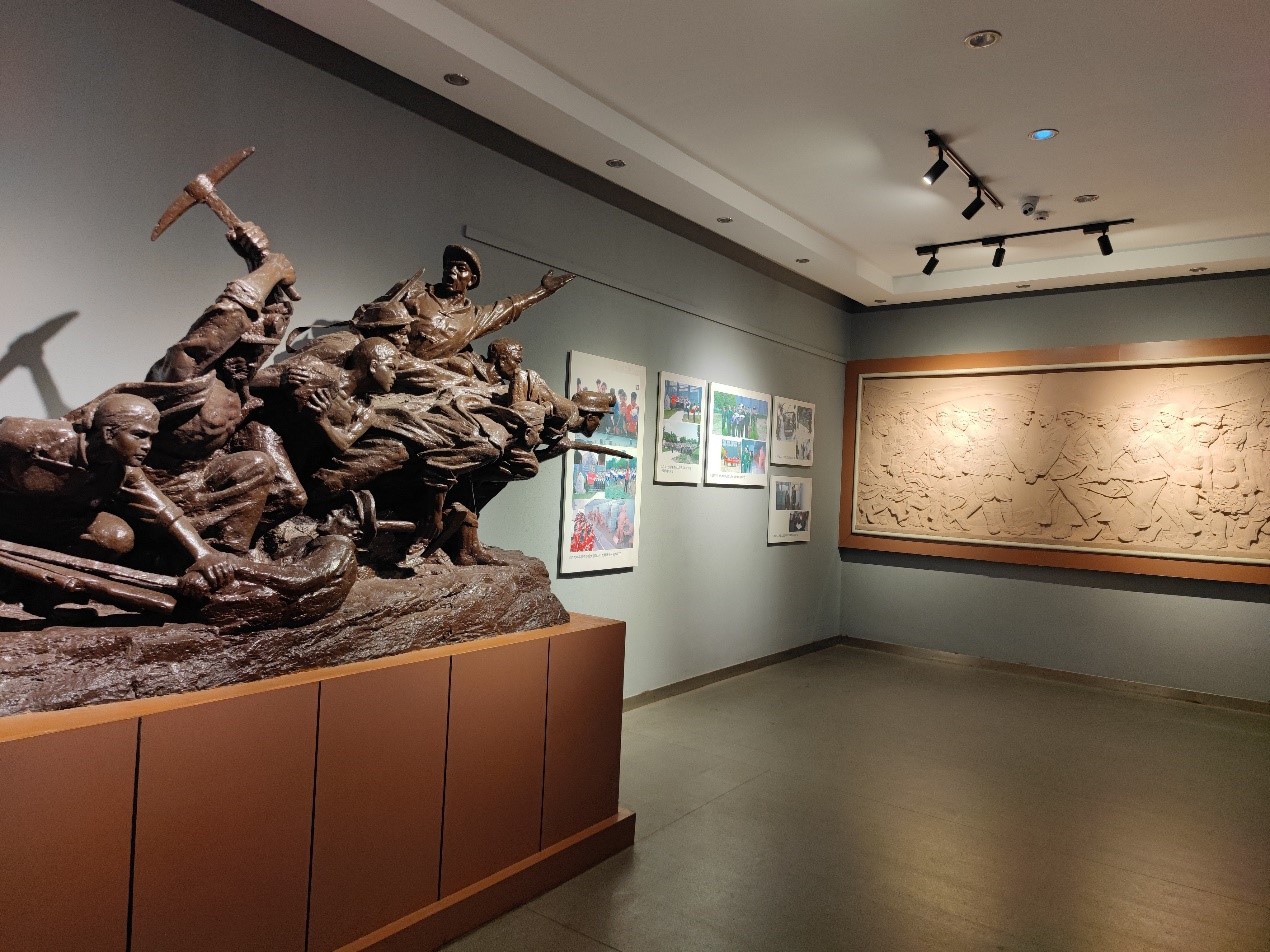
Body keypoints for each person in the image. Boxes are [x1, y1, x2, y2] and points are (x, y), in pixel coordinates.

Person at [0, 394, 235, 581]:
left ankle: (46, 598)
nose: (147, 446)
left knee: (116, 537)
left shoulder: (121, 471)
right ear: (109, 433)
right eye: (139, 435)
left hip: (55, 524)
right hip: (7, 518)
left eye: (151, 438)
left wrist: (203, 553)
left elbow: (164, 512)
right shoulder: (23, 436)